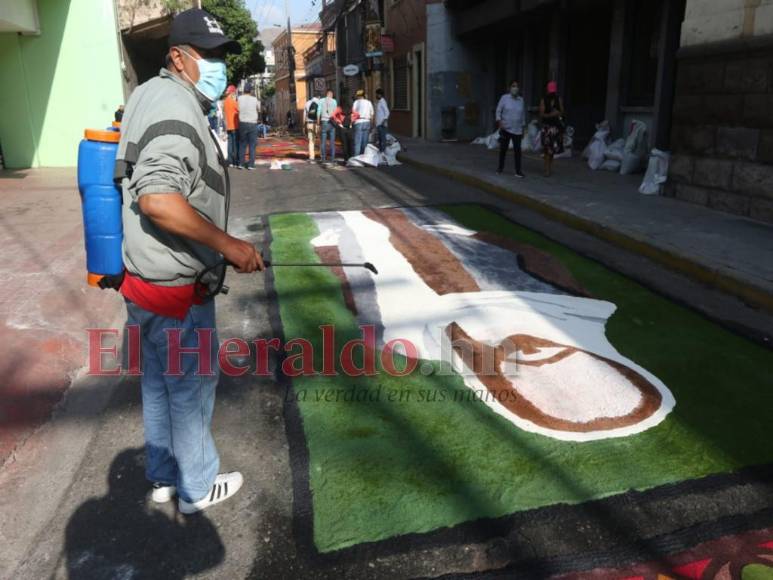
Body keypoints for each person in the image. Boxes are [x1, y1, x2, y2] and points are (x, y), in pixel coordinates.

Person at [111, 9, 264, 514]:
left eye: (223, 55)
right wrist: (229, 246)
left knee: (158, 384)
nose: (221, 66)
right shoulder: (174, 106)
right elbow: (157, 197)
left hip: (145, 279)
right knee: (189, 388)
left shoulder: (149, 94)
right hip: (176, 286)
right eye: (211, 56)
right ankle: (197, 488)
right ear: (178, 57)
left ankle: (162, 477)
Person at [495, 80, 526, 178]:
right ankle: (500, 168)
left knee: (518, 151)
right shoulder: (504, 98)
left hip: (517, 130)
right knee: (503, 150)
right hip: (506, 128)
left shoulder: (521, 100)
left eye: (517, 86)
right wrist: (500, 122)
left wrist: (523, 127)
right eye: (513, 86)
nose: (515, 88)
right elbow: (498, 110)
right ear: (509, 88)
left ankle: (518, 171)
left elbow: (523, 115)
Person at [539, 80, 565, 177]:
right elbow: (542, 114)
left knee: (552, 150)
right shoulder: (544, 100)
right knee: (546, 150)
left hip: (556, 128)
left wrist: (558, 113)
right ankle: (546, 169)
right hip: (547, 128)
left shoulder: (559, 99)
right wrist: (551, 115)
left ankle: (549, 167)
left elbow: (562, 112)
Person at [238, 84, 260, 169]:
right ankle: (251, 165)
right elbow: (259, 109)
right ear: (250, 91)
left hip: (242, 123)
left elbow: (238, 109)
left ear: (244, 90)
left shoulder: (239, 99)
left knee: (242, 144)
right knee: (252, 145)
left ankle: (241, 163)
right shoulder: (254, 99)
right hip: (252, 123)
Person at [352, 89, 374, 156]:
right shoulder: (369, 102)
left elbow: (353, 113)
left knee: (357, 142)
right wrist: (372, 124)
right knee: (365, 142)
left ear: (358, 95)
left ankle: (356, 158)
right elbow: (372, 114)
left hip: (358, 122)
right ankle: (363, 158)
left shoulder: (356, 102)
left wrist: (352, 123)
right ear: (364, 95)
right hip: (367, 122)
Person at [319, 88, 338, 163]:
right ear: (330, 94)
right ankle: (332, 158)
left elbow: (318, 111)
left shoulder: (321, 101)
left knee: (323, 141)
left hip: (324, 121)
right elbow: (336, 112)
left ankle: (323, 158)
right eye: (332, 94)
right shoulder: (334, 101)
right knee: (332, 141)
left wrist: (318, 121)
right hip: (332, 122)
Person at [223, 85, 239, 167]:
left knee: (229, 144)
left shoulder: (225, 102)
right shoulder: (233, 102)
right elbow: (239, 110)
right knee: (235, 145)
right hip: (235, 125)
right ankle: (236, 161)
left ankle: (230, 161)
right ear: (232, 93)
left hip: (228, 125)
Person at [304, 92, 320, 162]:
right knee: (320, 140)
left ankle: (312, 157)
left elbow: (304, 115)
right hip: (318, 124)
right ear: (319, 97)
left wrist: (303, 125)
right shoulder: (320, 102)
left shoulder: (307, 103)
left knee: (311, 141)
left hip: (309, 124)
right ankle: (321, 156)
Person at [375, 88, 390, 153]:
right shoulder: (379, 102)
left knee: (383, 139)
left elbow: (387, 112)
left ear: (380, 95)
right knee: (380, 139)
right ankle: (381, 152)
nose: (376, 95)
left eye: (377, 94)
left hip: (381, 124)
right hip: (379, 124)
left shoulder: (382, 102)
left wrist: (384, 120)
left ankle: (383, 152)